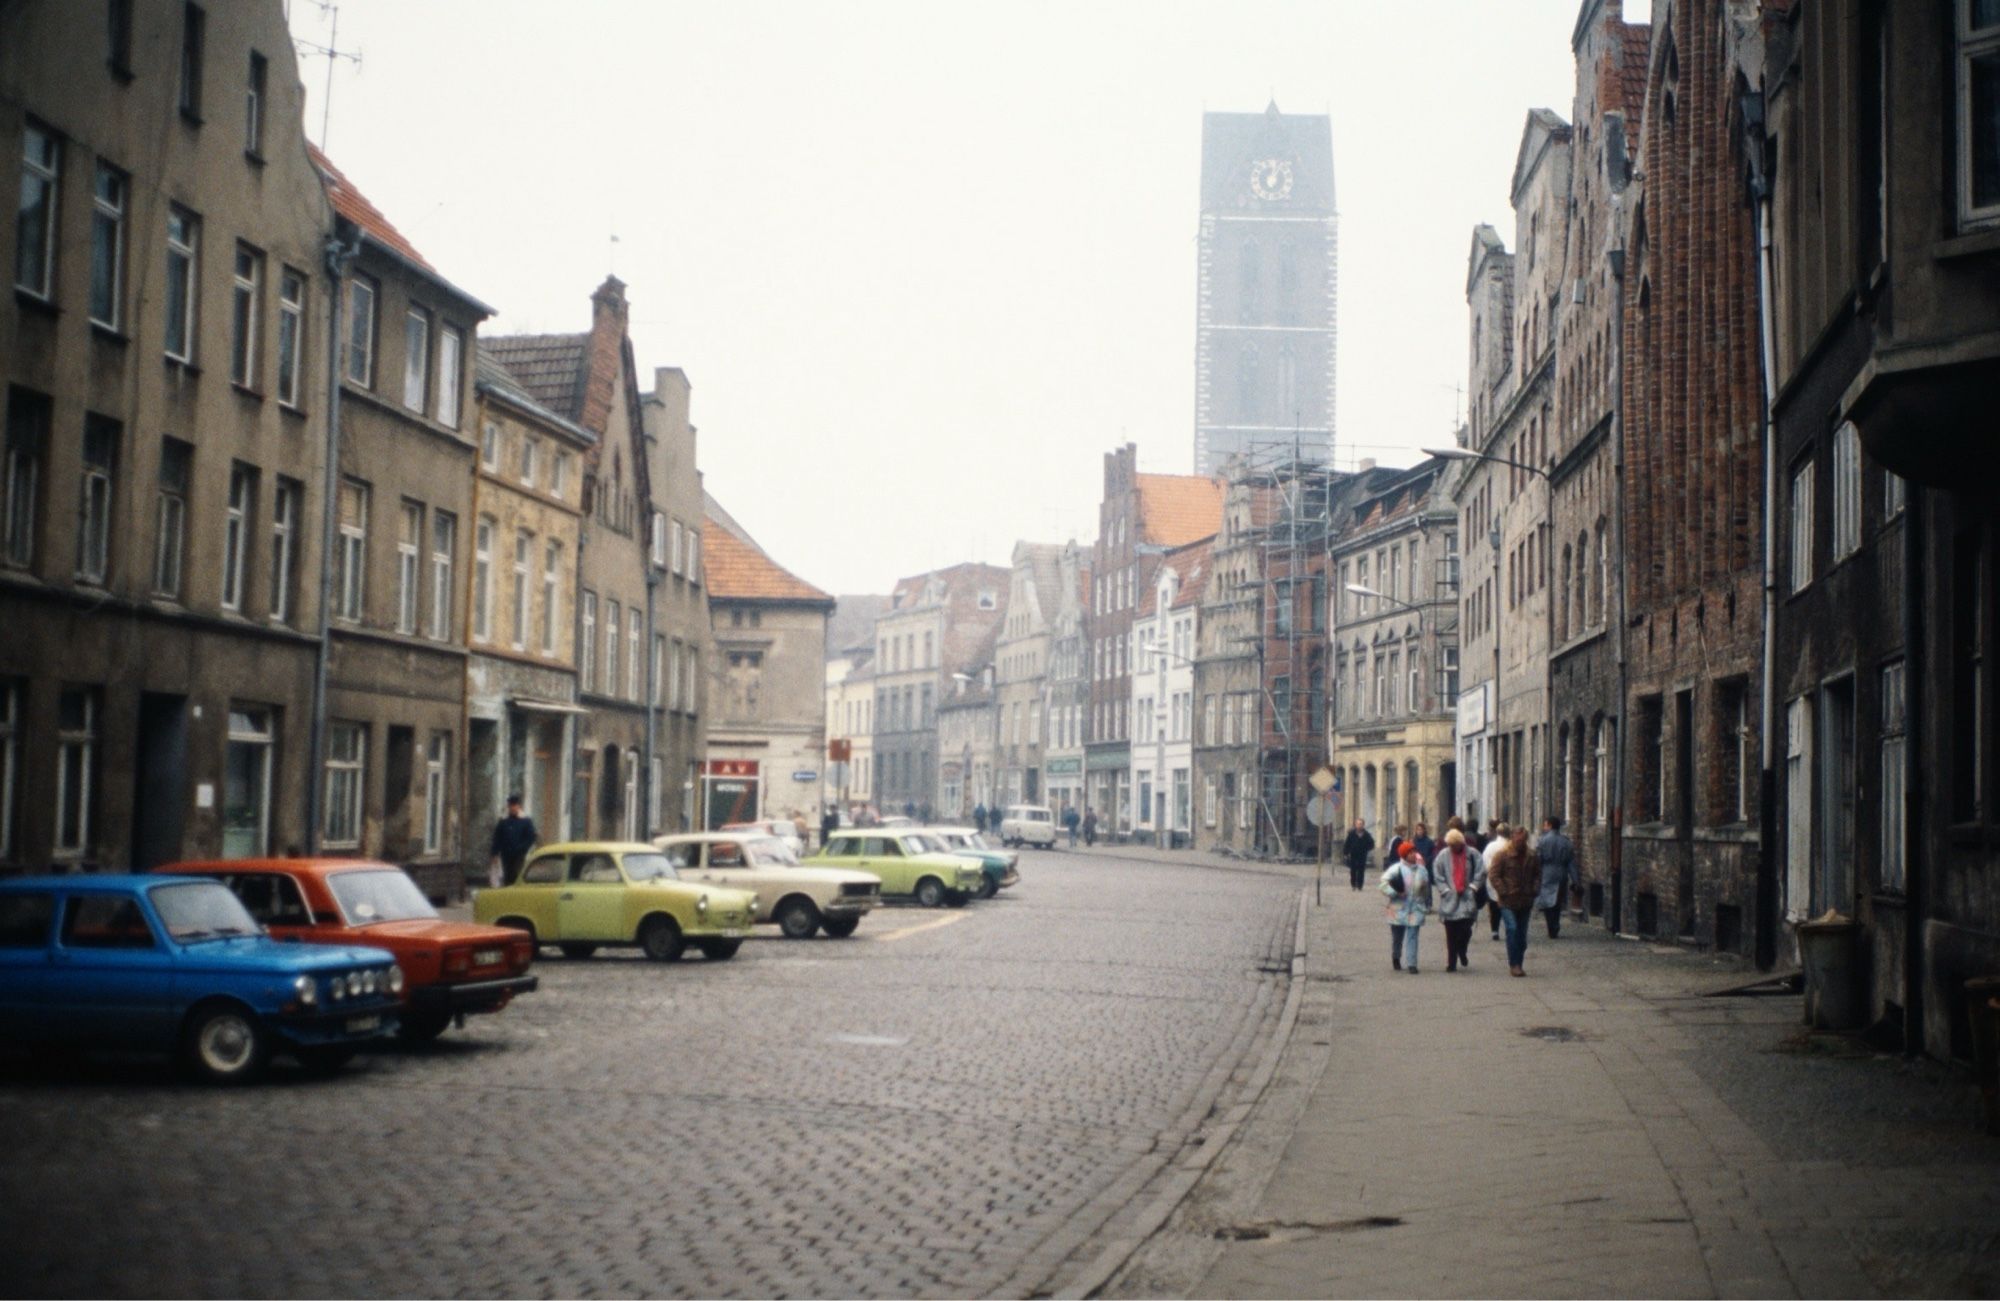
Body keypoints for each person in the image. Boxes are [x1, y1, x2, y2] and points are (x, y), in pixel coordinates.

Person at [1429, 828, 1487, 973]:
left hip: (1467, 897)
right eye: (1451, 845)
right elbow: (1437, 873)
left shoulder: (1472, 854)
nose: (1453, 848)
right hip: (1450, 899)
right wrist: (1445, 890)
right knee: (1450, 932)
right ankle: (1451, 962)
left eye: (1456, 845)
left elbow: (1481, 871)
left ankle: (1462, 949)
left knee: (1465, 930)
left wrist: (1474, 887)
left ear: (1461, 843)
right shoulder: (1443, 855)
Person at [1486, 824, 1541, 977]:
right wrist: (1503, 891)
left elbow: (1538, 874)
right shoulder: (1502, 855)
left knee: (1522, 936)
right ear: (1512, 838)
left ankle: (1519, 961)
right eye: (1517, 839)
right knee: (1512, 929)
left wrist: (1535, 889)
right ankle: (1514, 964)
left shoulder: (1532, 856)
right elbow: (1494, 875)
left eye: (1523, 840)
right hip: (1507, 901)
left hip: (1525, 899)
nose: (1520, 842)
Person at [1379, 840, 1431, 973]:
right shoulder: (1395, 869)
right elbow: (1383, 884)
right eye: (1410, 852)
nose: (1414, 854)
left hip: (1416, 907)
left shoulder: (1422, 870)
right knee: (1397, 936)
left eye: (1414, 851)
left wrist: (1426, 901)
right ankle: (1396, 956)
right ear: (1404, 855)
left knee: (1413, 935)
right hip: (1398, 908)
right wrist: (1395, 893)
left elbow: (1426, 888)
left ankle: (1412, 963)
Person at [1536, 816, 1580, 937]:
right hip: (1561, 873)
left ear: (1549, 825)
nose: (1544, 827)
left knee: (1547, 901)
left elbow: (1538, 859)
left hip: (1547, 873)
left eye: (1545, 825)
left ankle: (1551, 926)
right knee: (1557, 901)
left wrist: (1535, 875)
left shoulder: (1542, 840)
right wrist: (1576, 880)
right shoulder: (1566, 841)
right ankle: (1555, 924)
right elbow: (1571, 863)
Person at [487, 796, 538, 889]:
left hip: (520, 855)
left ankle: (517, 895)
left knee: (517, 875)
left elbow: (531, 837)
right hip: (506, 854)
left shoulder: (526, 821)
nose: (512, 808)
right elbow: (497, 837)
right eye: (511, 806)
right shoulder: (503, 821)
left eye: (515, 805)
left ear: (519, 806)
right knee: (507, 875)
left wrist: (522, 848)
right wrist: (494, 853)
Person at [1484, 821, 1508, 940]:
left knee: (1494, 904)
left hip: (1492, 878)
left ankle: (1495, 929)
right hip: (1508, 880)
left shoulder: (1490, 846)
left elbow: (1484, 862)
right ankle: (1509, 926)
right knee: (1507, 904)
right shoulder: (1510, 845)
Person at [1341, 818, 1375, 892]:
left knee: (1361, 870)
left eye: (1361, 824)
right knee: (1353, 870)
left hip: (1362, 854)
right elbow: (1347, 844)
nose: (1359, 825)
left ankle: (1360, 885)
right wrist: (1346, 853)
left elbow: (1372, 844)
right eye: (1358, 824)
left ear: (1363, 825)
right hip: (1353, 854)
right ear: (1355, 825)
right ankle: (1353, 884)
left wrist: (1366, 848)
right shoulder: (1352, 834)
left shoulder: (1366, 834)